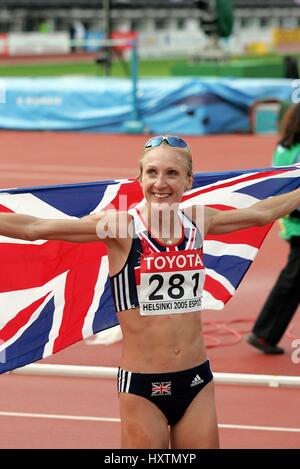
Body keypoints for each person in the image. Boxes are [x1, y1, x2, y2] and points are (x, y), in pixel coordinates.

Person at [1, 135, 300, 449]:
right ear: (139, 178)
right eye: (152, 173)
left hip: (197, 380)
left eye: (172, 173)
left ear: (188, 181)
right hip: (143, 387)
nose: (161, 182)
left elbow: (263, 213)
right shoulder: (120, 228)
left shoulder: (199, 220)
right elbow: (36, 228)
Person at [247, 103, 300, 355]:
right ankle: (264, 333)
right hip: (297, 222)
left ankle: (265, 334)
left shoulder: (285, 147)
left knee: (292, 281)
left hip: (290, 220)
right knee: (291, 282)